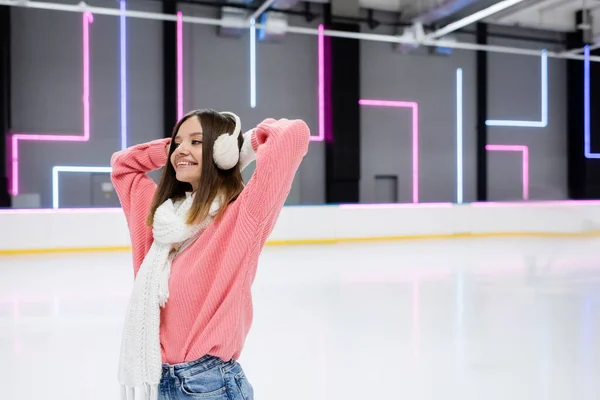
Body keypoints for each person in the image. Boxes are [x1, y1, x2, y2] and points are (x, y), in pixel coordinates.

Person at [110, 109, 310, 400]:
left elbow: (294, 135)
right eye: (178, 142)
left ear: (221, 151)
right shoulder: (157, 218)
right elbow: (123, 166)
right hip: (161, 382)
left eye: (196, 141)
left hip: (209, 385)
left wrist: (243, 146)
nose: (181, 149)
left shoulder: (241, 215)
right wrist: (172, 150)